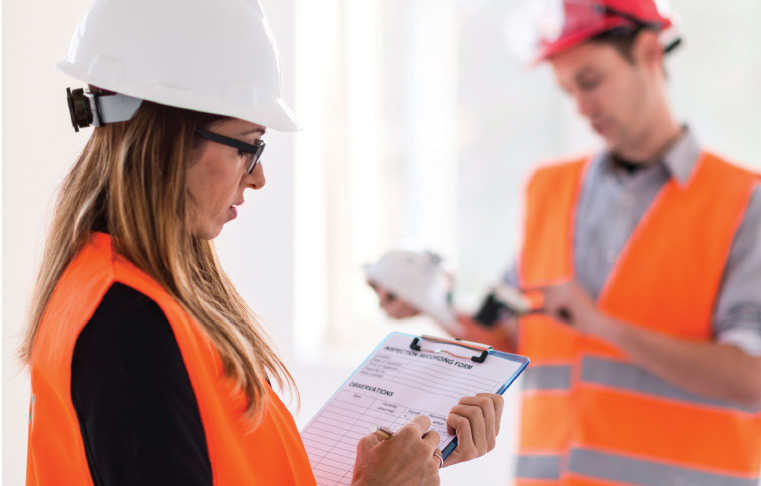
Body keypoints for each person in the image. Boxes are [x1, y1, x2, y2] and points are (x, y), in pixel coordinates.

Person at [20, 0, 505, 485]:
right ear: (168, 137)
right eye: (248, 144)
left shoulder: (115, 294)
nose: (258, 177)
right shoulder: (128, 325)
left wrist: (405, 464)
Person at [372, 0, 761, 484]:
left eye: (591, 81)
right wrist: (434, 307)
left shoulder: (745, 202)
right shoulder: (548, 191)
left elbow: (752, 377)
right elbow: (509, 341)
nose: (581, 107)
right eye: (568, 90)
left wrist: (602, 325)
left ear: (648, 52)